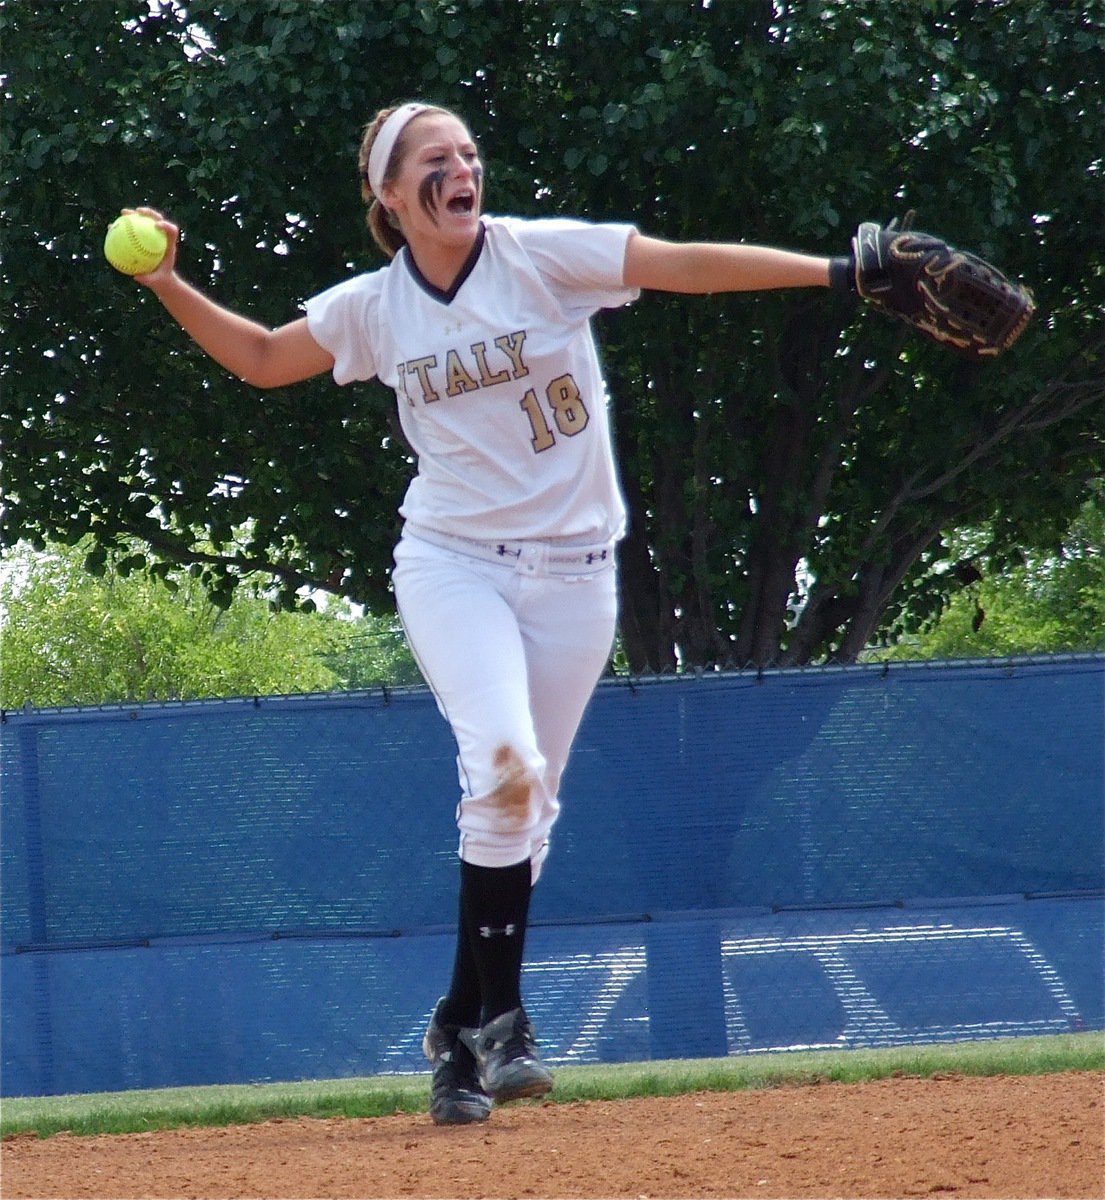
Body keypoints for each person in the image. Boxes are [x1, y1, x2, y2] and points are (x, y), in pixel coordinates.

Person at [125, 100, 851, 1125]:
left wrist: (839, 273)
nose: (462, 168)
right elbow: (261, 359)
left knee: (527, 813)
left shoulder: (537, 256)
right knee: (503, 769)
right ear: (388, 194)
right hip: (454, 563)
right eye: (435, 158)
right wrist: (165, 281)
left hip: (577, 574)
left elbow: (683, 264)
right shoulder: (376, 308)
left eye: (467, 153)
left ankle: (456, 1034)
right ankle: (504, 1025)